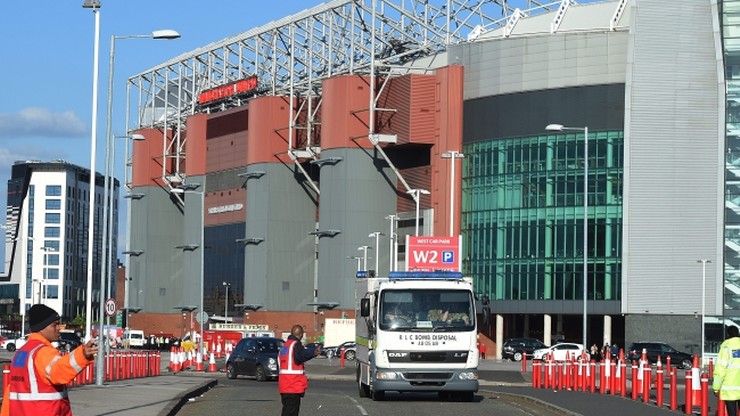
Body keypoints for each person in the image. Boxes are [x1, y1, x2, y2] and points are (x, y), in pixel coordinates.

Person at [1, 304, 98, 416]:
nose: (59, 328)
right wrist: (82, 355)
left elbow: (10, 393)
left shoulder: (21, 353)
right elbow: (59, 372)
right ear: (42, 327)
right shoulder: (43, 352)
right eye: (55, 325)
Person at [279, 324, 320, 416]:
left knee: (287, 411)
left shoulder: (285, 346)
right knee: (291, 412)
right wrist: (313, 353)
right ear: (301, 334)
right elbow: (300, 356)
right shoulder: (296, 345)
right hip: (292, 385)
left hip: (284, 385)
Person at [714, 326, 740, 416]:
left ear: (728, 334)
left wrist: (716, 387)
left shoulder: (726, 346)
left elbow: (721, 368)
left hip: (730, 387)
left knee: (732, 412)